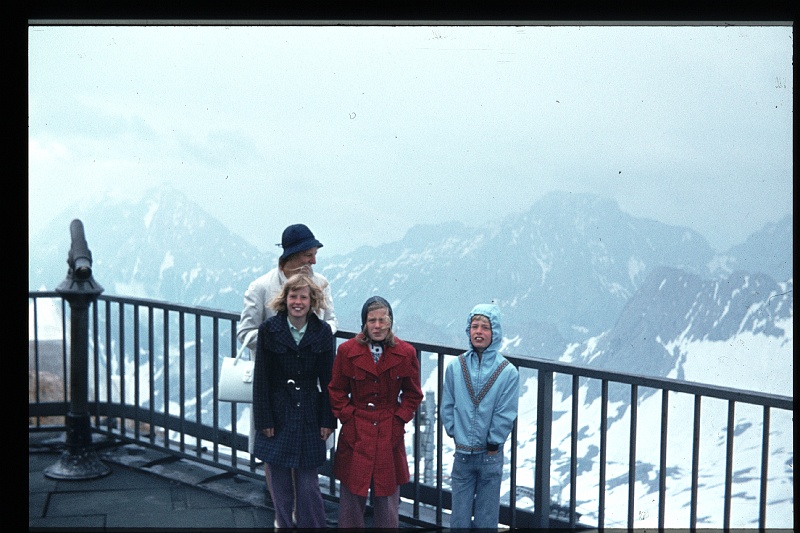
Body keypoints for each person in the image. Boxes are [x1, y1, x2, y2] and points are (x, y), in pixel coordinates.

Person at [236, 223, 337, 515]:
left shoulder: (322, 284)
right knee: (275, 456)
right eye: (308, 254)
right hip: (273, 386)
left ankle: (300, 518)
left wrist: (311, 337)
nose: (313, 261)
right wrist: (276, 343)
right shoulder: (261, 287)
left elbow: (331, 322)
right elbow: (245, 332)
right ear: (291, 255)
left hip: (308, 388)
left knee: (306, 463)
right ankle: (284, 517)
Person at [328, 296, 424, 528]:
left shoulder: (406, 353)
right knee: (351, 497)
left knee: (388, 498)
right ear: (364, 323)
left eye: (383, 320)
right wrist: (349, 417)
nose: (378, 326)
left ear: (391, 322)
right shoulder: (347, 351)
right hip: (356, 430)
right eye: (372, 320)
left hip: (389, 430)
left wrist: (399, 419)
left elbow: (413, 394)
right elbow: (336, 390)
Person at [252, 273, 336, 529]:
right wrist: (263, 419)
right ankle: (284, 526)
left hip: (310, 412)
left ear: (313, 301)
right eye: (293, 296)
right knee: (279, 482)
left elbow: (329, 379)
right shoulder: (269, 330)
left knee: (308, 485)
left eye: (303, 297)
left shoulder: (322, 332)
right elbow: (262, 378)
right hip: (277, 412)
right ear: (284, 298)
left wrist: (327, 420)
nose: (297, 302)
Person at [440, 303, 519, 530]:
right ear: (468, 330)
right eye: (475, 326)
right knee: (459, 517)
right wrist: (455, 432)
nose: (479, 332)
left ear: (495, 333)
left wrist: (493, 442)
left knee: (487, 517)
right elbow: (448, 404)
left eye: (485, 327)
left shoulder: (507, 372)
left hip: (489, 455)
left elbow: (505, 412)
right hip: (462, 452)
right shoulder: (455, 367)